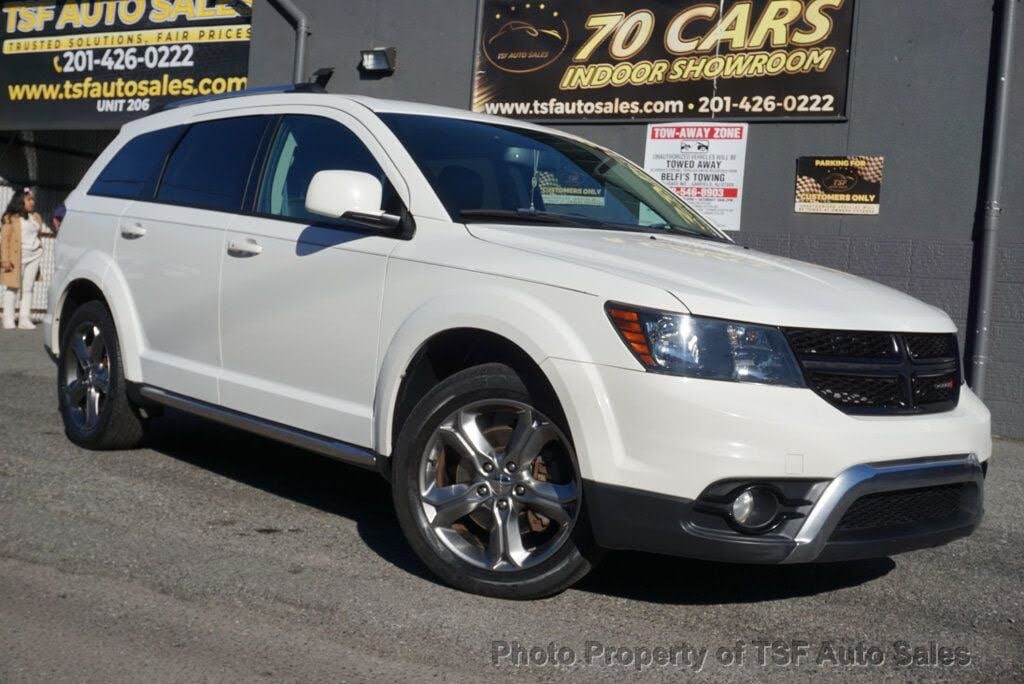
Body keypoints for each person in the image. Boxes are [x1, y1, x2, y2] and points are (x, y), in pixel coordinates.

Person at [1, 187, 44, 330]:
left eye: (33, 199)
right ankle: (8, 318)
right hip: (16, 258)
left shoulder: (35, 216)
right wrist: (4, 259)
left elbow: (37, 234)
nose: (32, 202)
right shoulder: (10, 217)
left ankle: (24, 319)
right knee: (13, 287)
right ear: (20, 200)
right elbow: (4, 240)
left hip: (34, 256)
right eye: (29, 199)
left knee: (28, 288)